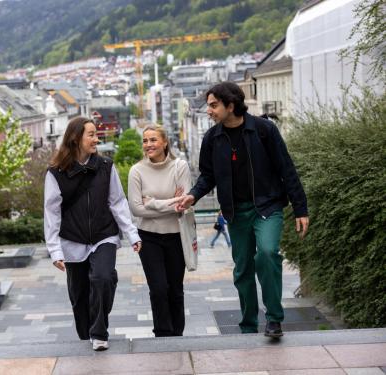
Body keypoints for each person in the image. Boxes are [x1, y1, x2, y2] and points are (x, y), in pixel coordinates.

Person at [176, 82, 309, 338]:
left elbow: (286, 169)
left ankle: (273, 319)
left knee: (268, 253)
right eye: (208, 106)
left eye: (214, 105)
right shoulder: (212, 139)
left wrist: (301, 208)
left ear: (231, 105)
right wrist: (192, 196)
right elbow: (207, 176)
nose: (209, 111)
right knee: (242, 268)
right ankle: (248, 323)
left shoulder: (263, 130)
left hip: (267, 206)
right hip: (236, 213)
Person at [44, 117, 142, 351]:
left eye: (96, 134)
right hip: (72, 241)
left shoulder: (106, 167)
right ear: (75, 138)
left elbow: (118, 202)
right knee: (79, 296)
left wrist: (132, 234)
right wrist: (55, 250)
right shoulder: (55, 173)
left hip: (103, 235)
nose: (96, 138)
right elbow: (51, 213)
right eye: (91, 134)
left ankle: (99, 332)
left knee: (103, 278)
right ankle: (85, 333)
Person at [127, 125, 191, 337]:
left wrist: (152, 203)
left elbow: (184, 204)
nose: (148, 145)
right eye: (145, 141)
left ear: (165, 142)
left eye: (153, 140)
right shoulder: (136, 171)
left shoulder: (179, 167)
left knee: (175, 289)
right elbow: (136, 209)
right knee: (158, 289)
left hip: (176, 237)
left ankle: (177, 334)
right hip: (149, 238)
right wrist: (171, 203)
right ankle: (162, 334)